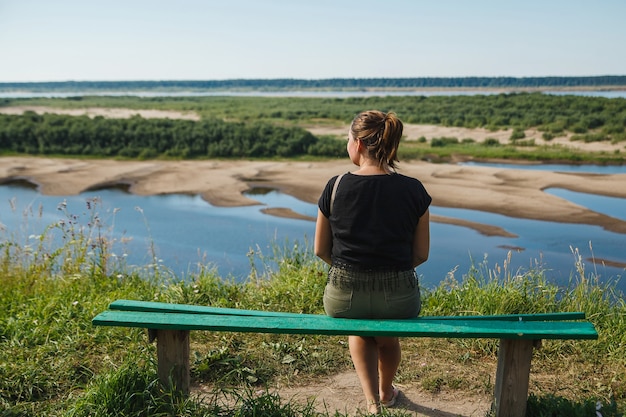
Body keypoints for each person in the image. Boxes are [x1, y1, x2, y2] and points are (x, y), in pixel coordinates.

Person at [314, 110, 431, 414]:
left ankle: (371, 402)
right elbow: (421, 254)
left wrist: (347, 268)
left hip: (343, 296)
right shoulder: (414, 189)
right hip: (400, 298)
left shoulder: (336, 185)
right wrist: (391, 271)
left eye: (348, 138)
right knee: (387, 338)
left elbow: (320, 249)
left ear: (359, 144)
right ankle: (386, 392)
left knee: (358, 328)